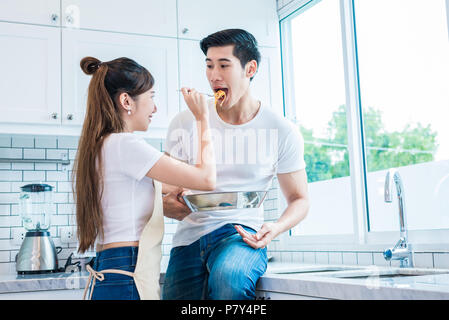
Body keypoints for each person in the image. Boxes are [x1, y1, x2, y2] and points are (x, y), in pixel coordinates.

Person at [162, 29, 310, 300]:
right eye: (208, 65)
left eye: (223, 65)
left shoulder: (281, 129)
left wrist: (274, 228)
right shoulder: (185, 121)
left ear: (250, 68)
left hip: (241, 235)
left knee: (229, 280)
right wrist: (166, 205)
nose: (213, 75)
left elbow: (300, 199)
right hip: (188, 239)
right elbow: (165, 191)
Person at [73, 56, 216, 300]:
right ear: (126, 101)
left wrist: (175, 196)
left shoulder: (103, 145)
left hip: (112, 270)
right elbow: (206, 179)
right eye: (151, 97)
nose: (155, 108)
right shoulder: (125, 144)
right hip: (128, 273)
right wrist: (202, 118)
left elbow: (169, 185)